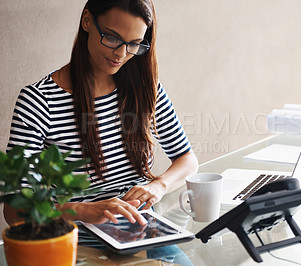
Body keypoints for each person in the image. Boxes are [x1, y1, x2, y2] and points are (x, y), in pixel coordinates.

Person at [4, 0, 198, 226]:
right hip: (75, 238)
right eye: (113, 38)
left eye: (134, 44)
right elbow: (14, 210)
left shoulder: (145, 87)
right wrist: (81, 210)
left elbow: (187, 160)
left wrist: (158, 186)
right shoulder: (39, 101)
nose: (121, 54)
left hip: (141, 230)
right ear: (87, 21)